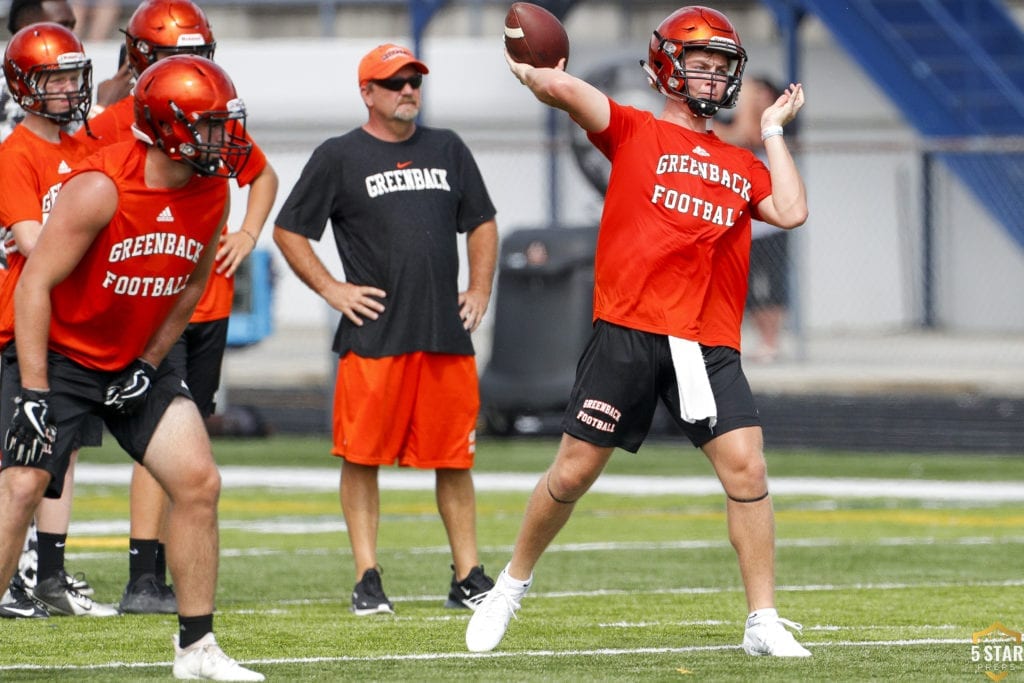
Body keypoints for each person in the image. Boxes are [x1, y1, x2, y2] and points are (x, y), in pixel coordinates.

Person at [466, 6, 812, 657]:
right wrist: (534, 71)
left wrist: (770, 131)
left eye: (720, 68)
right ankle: (511, 583)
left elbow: (791, 209)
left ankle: (762, 619)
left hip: (705, 342)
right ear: (666, 68)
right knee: (571, 472)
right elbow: (567, 89)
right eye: (699, 65)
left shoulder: (742, 164)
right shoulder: (634, 130)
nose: (710, 78)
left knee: (747, 466)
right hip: (629, 328)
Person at [0, 53, 264, 680]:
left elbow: (193, 285)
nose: (222, 140)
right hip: (59, 358)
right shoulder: (100, 187)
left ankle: (197, 650)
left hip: (129, 362)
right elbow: (33, 286)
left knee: (199, 482)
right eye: (207, 126)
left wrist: (148, 362)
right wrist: (34, 392)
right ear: (170, 128)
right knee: (21, 488)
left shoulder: (211, 192)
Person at [274, 42, 498, 615]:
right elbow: (290, 231)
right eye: (395, 82)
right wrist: (331, 290)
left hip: (444, 334)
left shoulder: (447, 147)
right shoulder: (339, 156)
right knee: (361, 457)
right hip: (374, 337)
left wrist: (479, 290)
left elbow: (482, 223)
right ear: (366, 92)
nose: (408, 91)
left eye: (414, 81)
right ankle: (367, 576)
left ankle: (467, 575)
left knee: (455, 458)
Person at [79, 0, 278, 615]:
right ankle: (130, 572)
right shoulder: (114, 123)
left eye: (198, 57)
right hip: (134, 311)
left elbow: (260, 175)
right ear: (143, 59)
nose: (191, 71)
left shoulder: (214, 122)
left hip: (200, 300)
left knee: (179, 440)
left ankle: (155, 577)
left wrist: (246, 233)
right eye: (176, 57)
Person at [0, 21, 117, 619]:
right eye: (56, 78)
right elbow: (30, 238)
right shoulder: (16, 154)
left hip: (75, 328)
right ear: (24, 85)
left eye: (74, 75)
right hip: (25, 327)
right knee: (20, 463)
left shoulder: (86, 148)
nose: (71, 88)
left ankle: (48, 575)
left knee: (61, 457)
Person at [715, 76, 790, 362]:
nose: (755, 98)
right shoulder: (728, 121)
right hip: (740, 226)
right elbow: (733, 134)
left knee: (772, 285)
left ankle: (771, 342)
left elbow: (749, 135)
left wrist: (748, 99)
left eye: (761, 93)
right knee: (741, 286)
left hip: (770, 225)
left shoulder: (775, 125)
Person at [0, 0, 132, 142]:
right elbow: (42, 152)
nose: (69, 35)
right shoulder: (7, 86)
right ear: (26, 29)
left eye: (72, 26)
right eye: (61, 26)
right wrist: (101, 109)